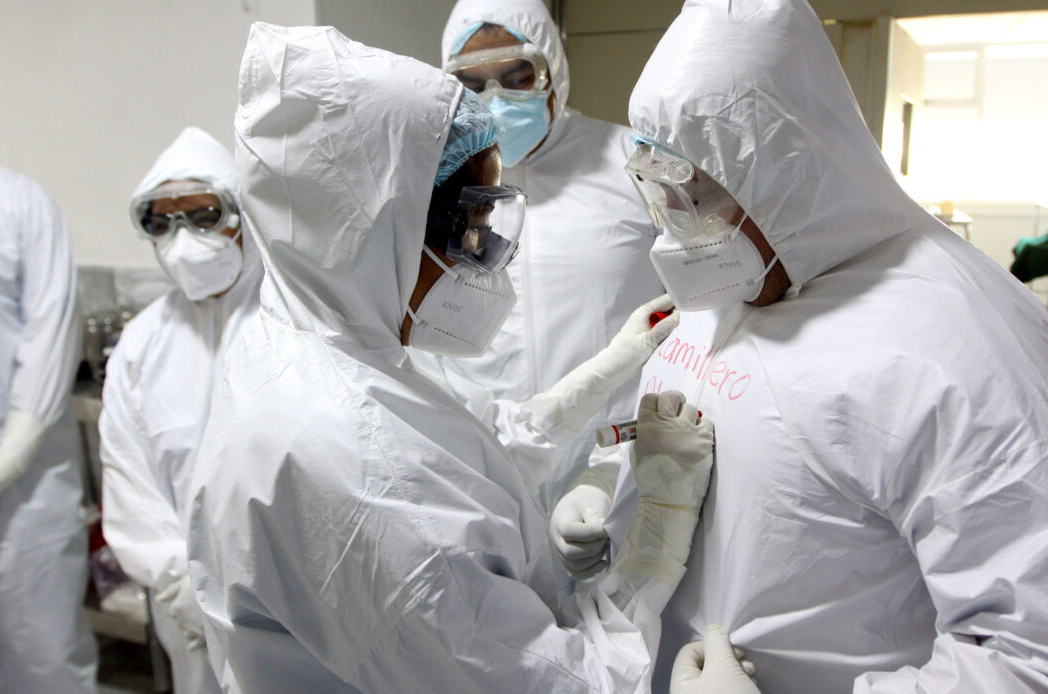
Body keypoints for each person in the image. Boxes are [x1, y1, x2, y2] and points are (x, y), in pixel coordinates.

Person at [554, 0, 1048, 692]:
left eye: (697, 195)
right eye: (661, 192)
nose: (679, 231)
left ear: (787, 170)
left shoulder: (963, 341)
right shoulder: (732, 276)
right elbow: (709, 429)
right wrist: (609, 483)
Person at [188, 23, 713, 693]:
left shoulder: (317, 345)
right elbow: (559, 682)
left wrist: (593, 379)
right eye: (473, 227)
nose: (486, 255)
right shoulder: (363, 475)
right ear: (380, 228)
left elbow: (453, 456)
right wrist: (656, 544)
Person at [437, 0, 665, 510]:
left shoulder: (631, 163)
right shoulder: (440, 184)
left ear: (552, 70)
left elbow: (693, 315)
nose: (495, 99)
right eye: (473, 84)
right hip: (483, 472)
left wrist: (620, 467)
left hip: (614, 463)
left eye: (517, 77)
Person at [99, 126, 261, 694]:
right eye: (161, 222)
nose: (182, 239)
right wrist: (185, 584)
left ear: (242, 215)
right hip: (183, 609)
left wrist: (244, 588)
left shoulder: (290, 319)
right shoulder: (142, 343)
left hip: (284, 606)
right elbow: (129, 483)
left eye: (202, 215)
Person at [0, 167, 97, 693]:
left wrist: (9, 458)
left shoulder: (17, 203)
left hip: (25, 487)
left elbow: (50, 328)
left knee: (39, 654)